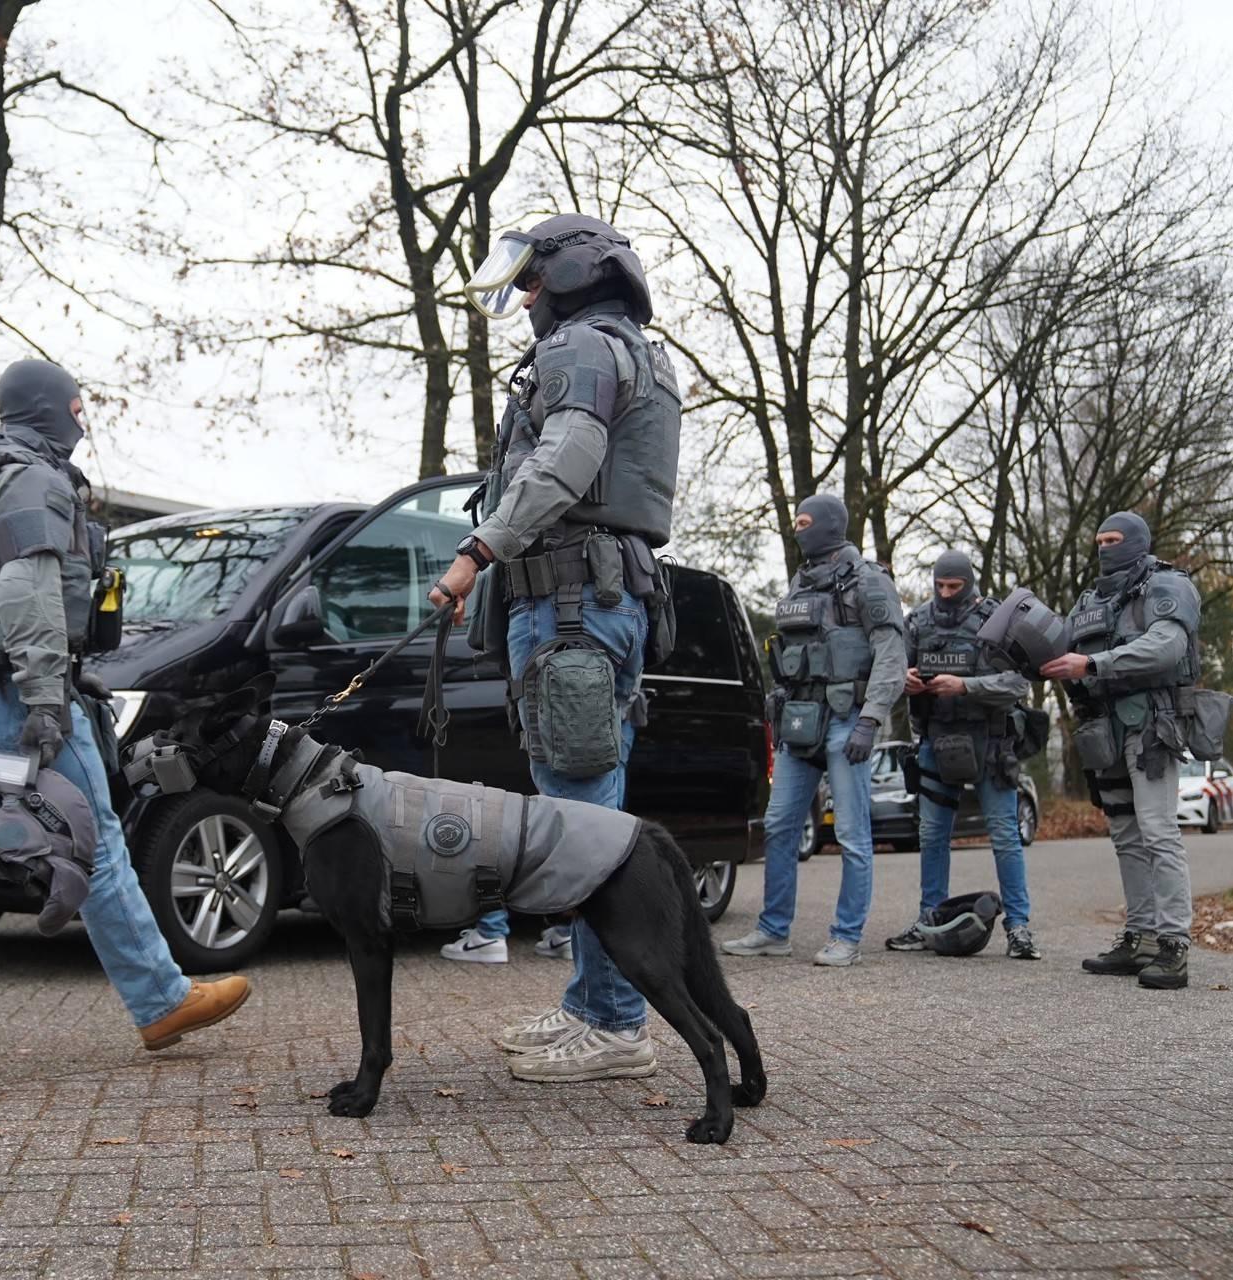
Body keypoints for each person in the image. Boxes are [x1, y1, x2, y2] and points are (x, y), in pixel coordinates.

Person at [0, 359, 250, 1080]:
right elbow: (26, 588)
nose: (82, 420)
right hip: (9, 693)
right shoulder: (33, 476)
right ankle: (161, 1001)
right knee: (96, 840)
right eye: (78, 405)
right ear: (53, 410)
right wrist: (44, 701)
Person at [431, 213, 680, 1081]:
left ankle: (616, 1026)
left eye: (532, 279)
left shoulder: (580, 349)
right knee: (588, 808)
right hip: (591, 599)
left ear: (574, 273)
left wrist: (476, 553)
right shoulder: (627, 350)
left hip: (573, 603)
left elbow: (566, 459)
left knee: (580, 823)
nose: (526, 297)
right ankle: (590, 1004)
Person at [722, 494, 905, 966]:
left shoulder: (870, 581)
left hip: (848, 721)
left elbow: (891, 656)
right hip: (799, 723)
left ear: (828, 525)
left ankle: (846, 937)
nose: (797, 529)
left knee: (851, 834)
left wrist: (872, 718)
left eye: (805, 522)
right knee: (780, 825)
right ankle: (773, 930)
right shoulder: (799, 583)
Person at [1040, 512, 1200, 991]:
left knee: (1158, 831)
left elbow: (1166, 647)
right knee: (1127, 837)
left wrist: (1093, 663)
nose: (1105, 548)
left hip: (1152, 724)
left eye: (1114, 540)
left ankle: (1174, 944)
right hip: (1103, 730)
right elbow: (1057, 645)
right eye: (1099, 541)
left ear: (1137, 542)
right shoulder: (1091, 600)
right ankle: (1142, 936)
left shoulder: (1167, 585)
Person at [883, 550, 1040, 959]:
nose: (946, 594)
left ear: (968, 583)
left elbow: (1017, 683)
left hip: (989, 743)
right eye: (940, 586)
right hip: (937, 742)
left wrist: (967, 687)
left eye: (954, 586)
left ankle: (1019, 929)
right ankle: (928, 921)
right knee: (932, 835)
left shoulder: (996, 619)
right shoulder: (917, 621)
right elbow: (890, 668)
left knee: (1005, 836)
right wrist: (907, 680)